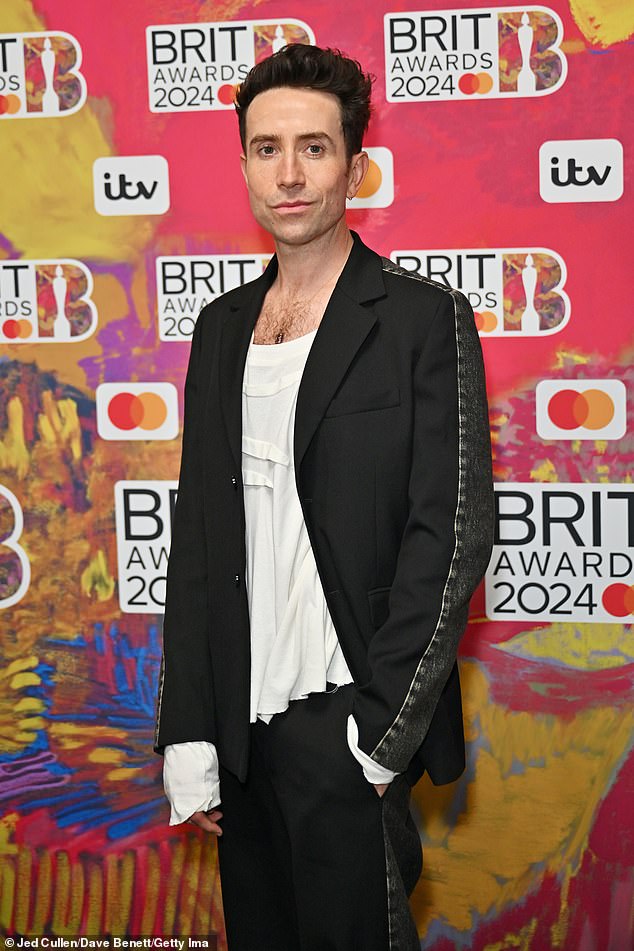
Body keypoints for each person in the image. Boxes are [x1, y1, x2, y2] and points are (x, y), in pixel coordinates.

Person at [154, 43, 494, 951]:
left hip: (349, 715)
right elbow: (200, 543)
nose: (291, 173)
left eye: (314, 147)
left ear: (355, 164)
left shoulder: (423, 317)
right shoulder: (219, 327)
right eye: (267, 149)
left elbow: (452, 532)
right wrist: (191, 730)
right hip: (240, 729)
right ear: (243, 167)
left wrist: (383, 733)